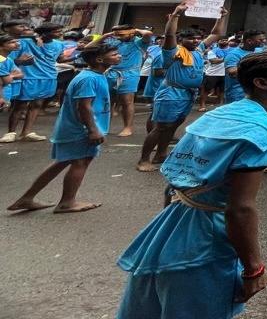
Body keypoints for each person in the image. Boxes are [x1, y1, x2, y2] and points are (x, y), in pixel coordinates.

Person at [115, 50, 267, 319]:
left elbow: (173, 182)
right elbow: (240, 209)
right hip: (206, 237)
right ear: (262, 83)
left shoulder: (218, 115)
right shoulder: (260, 130)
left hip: (170, 225)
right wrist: (254, 269)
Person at [8, 42, 119, 214]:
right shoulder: (89, 78)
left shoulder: (95, 75)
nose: (118, 56)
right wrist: (92, 130)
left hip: (75, 128)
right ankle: (67, 202)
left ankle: (27, 198)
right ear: (99, 59)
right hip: (80, 130)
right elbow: (83, 106)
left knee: (62, 162)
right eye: (114, 54)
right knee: (81, 162)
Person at [138, 5, 228, 172]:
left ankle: (161, 154)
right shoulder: (173, 51)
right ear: (181, 40)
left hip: (187, 95)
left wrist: (221, 17)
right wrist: (176, 15)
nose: (196, 41)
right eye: (192, 38)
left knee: (173, 126)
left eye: (198, 38)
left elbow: (215, 34)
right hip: (171, 93)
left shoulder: (199, 50)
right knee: (161, 127)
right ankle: (144, 159)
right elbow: (170, 34)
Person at [2, 22, 68, 143]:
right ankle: (10, 132)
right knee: (20, 105)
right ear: (45, 32)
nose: (60, 33)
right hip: (29, 78)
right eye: (57, 31)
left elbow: (60, 59)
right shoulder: (25, 42)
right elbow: (10, 59)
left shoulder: (59, 44)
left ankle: (26, 132)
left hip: (49, 77)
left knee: (37, 105)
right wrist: (20, 61)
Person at [107, 24, 153, 137]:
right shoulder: (114, 42)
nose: (118, 36)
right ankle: (105, 125)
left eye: (121, 34)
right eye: (116, 34)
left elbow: (148, 34)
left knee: (127, 102)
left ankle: (128, 127)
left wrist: (135, 29)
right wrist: (109, 35)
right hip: (111, 72)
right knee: (108, 101)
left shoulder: (139, 42)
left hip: (130, 73)